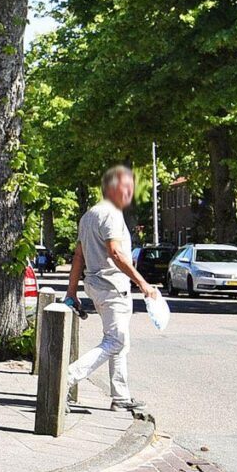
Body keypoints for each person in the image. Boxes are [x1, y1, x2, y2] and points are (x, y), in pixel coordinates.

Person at [63, 163, 158, 414]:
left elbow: (78, 256)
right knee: (115, 341)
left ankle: (120, 396)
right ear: (111, 188)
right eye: (126, 187)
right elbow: (115, 253)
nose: (130, 192)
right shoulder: (111, 215)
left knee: (119, 340)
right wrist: (142, 283)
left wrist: (71, 292)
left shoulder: (88, 216)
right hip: (112, 287)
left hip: (95, 285)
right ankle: (65, 379)